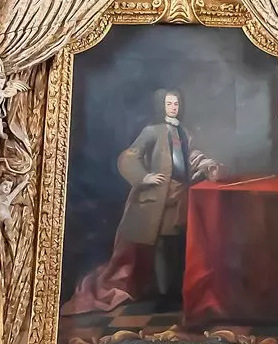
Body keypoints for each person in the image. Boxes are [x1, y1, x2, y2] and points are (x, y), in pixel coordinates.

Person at [64, 89, 221, 315]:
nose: (174, 107)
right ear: (162, 105)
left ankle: (177, 292)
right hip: (157, 198)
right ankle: (164, 295)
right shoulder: (152, 131)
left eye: (176, 103)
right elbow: (129, 157)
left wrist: (207, 164)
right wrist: (144, 177)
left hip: (181, 196)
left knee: (178, 243)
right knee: (160, 245)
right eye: (169, 103)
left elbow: (192, 156)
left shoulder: (184, 132)